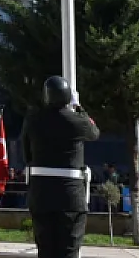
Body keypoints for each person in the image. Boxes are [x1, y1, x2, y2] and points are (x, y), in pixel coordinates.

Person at [22, 76, 100, 258]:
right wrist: (79, 108)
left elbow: (27, 155)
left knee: (46, 250)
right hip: (70, 195)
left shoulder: (33, 120)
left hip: (41, 194)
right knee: (69, 250)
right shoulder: (77, 121)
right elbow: (94, 132)